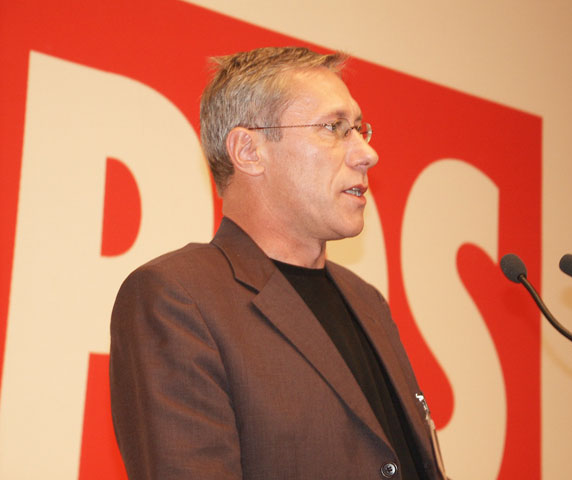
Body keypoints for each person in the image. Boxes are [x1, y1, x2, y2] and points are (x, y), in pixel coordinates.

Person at [110, 46, 447, 480]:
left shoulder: (367, 302)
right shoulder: (178, 297)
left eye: (360, 129)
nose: (367, 153)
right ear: (249, 150)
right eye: (334, 128)